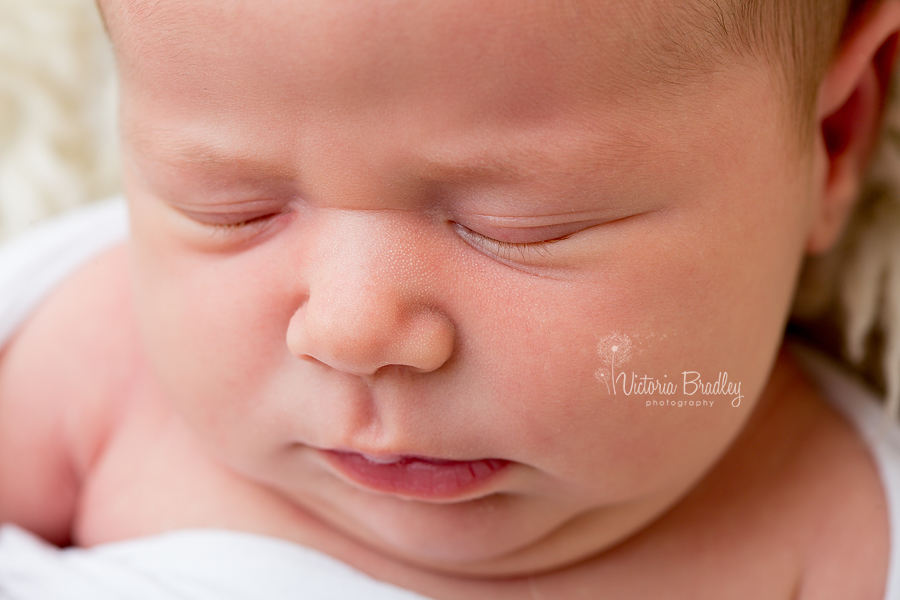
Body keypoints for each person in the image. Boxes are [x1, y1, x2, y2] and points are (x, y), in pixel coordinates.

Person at [1, 0, 899, 597]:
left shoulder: (831, 541)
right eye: (235, 206)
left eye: (519, 225)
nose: (354, 329)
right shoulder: (89, 357)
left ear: (833, 134)